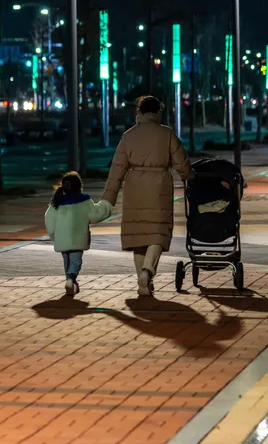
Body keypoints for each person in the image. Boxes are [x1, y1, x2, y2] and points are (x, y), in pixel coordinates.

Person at [102, 96, 193, 297]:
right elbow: (182, 164)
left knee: (139, 236)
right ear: (158, 112)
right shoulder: (166, 134)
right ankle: (147, 272)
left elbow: (117, 169)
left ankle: (143, 280)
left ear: (139, 112)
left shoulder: (128, 135)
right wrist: (190, 176)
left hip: (134, 187)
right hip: (159, 187)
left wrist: (108, 199)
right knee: (157, 234)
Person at [45, 172, 113, 296]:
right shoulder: (84, 201)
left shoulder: (57, 202)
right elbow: (96, 214)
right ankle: (71, 279)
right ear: (79, 186)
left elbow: (49, 220)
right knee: (76, 261)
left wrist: (53, 236)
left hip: (62, 239)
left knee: (67, 262)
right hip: (78, 239)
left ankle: (70, 282)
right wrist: (106, 205)